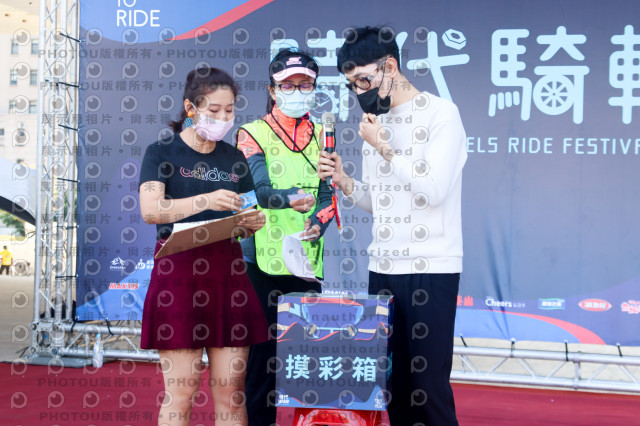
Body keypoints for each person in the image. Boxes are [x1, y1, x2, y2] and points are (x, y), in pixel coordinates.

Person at [318, 26, 467, 426]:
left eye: (364, 80)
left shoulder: (441, 114)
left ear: (390, 66)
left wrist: (384, 147)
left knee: (428, 387)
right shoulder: (374, 122)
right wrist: (344, 181)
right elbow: (379, 202)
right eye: (351, 84)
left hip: (430, 268)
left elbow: (432, 189)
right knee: (392, 385)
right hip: (383, 267)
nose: (359, 91)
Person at [138, 67, 268, 426]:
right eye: (214, 110)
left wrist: (250, 225)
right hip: (178, 279)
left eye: (229, 110)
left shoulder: (234, 158)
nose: (223, 118)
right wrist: (205, 200)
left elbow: (245, 218)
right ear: (190, 108)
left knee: (231, 391)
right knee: (182, 392)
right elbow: (151, 211)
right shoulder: (161, 152)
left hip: (228, 278)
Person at [236, 48, 335, 426]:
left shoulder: (324, 134)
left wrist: (319, 224)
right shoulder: (252, 133)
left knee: (303, 360)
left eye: (305, 85)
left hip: (305, 259)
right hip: (260, 260)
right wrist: (288, 198)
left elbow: (328, 196)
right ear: (272, 90)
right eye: (288, 85)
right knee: (262, 363)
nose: (297, 92)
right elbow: (258, 191)